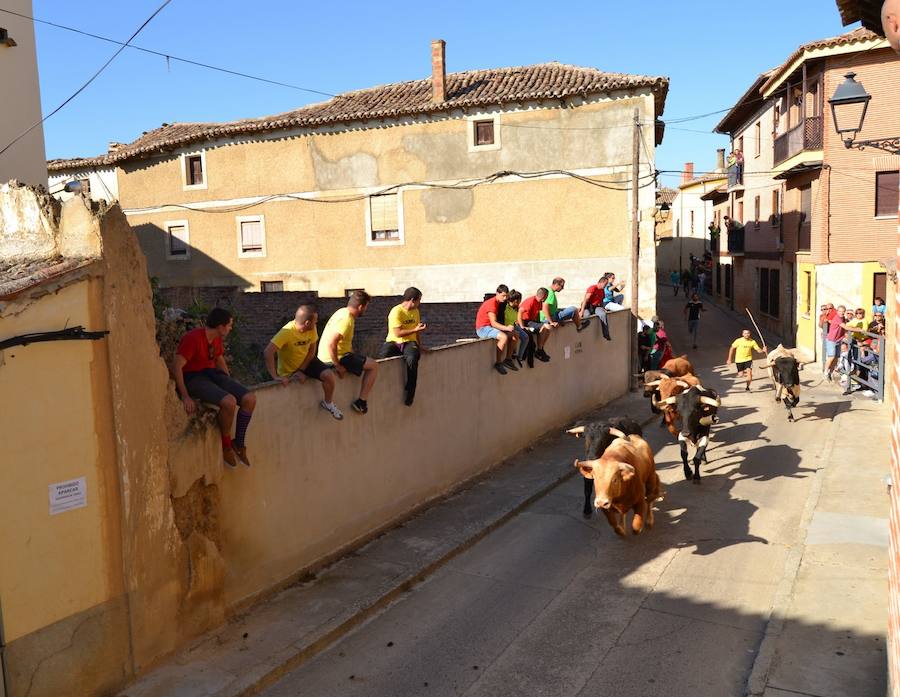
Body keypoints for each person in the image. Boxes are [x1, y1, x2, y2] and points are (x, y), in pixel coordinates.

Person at [174, 308, 257, 468]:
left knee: (249, 399)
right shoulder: (193, 338)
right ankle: (226, 444)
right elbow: (177, 366)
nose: (230, 328)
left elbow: (219, 359)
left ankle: (238, 443)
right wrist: (185, 396)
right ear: (220, 326)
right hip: (194, 377)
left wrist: (229, 381)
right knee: (229, 402)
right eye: (229, 325)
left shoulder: (216, 338)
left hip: (212, 373)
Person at [264, 303, 343, 420]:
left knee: (329, 375)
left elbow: (312, 350)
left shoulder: (312, 329)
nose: (316, 323)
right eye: (315, 321)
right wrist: (274, 376)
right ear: (307, 323)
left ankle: (328, 403)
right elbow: (268, 352)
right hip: (288, 371)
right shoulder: (287, 332)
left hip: (307, 362)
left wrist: (302, 370)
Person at [317, 290, 379, 414]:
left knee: (364, 360)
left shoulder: (341, 312)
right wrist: (337, 366)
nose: (365, 310)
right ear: (361, 306)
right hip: (336, 358)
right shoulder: (346, 319)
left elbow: (343, 343)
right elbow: (332, 343)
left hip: (334, 355)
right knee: (373, 366)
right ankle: (361, 402)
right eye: (366, 307)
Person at [378, 287, 428, 406]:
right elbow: (397, 333)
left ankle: (410, 392)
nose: (419, 303)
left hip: (409, 342)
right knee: (382, 356)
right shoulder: (396, 311)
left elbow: (416, 333)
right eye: (419, 300)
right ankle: (379, 385)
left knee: (412, 359)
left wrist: (419, 345)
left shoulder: (415, 311)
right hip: (394, 341)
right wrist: (415, 329)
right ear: (412, 300)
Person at [475, 284, 519, 375]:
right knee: (503, 337)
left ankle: (508, 359)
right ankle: (498, 363)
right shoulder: (491, 304)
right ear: (497, 293)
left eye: (506, 296)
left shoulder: (498, 302)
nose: (505, 298)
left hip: (489, 327)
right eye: (503, 295)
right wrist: (506, 328)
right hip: (483, 329)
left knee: (515, 334)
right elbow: (493, 323)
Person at [518, 288, 552, 363]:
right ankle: (539, 350)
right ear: (544, 296)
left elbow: (537, 314)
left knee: (546, 329)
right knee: (546, 326)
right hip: (526, 322)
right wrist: (521, 326)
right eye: (546, 296)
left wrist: (539, 323)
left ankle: (540, 349)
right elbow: (519, 312)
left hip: (532, 322)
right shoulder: (530, 301)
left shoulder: (539, 302)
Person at [578, 276, 612, 340]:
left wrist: (603, 308)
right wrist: (581, 311)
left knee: (603, 314)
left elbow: (601, 300)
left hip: (596, 307)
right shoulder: (593, 288)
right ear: (601, 282)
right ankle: (580, 327)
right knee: (587, 316)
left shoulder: (602, 291)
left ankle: (606, 334)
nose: (606, 286)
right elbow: (585, 300)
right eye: (605, 284)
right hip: (588, 307)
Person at [504, 290, 529, 368]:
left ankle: (519, 356)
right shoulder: (505, 307)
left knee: (525, 337)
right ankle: (512, 353)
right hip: (505, 327)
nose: (519, 302)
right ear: (513, 300)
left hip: (513, 325)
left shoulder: (516, 308)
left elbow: (516, 319)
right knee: (516, 335)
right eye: (517, 300)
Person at [824, 305, 847, 382]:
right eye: (840, 311)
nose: (842, 313)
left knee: (836, 357)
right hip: (832, 340)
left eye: (843, 312)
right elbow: (845, 327)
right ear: (837, 311)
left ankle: (831, 372)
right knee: (831, 356)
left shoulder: (843, 318)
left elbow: (844, 328)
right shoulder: (837, 318)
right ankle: (826, 372)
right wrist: (858, 329)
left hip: (838, 340)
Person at [817, 303, 837, 371]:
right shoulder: (822, 316)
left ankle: (830, 368)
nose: (824, 310)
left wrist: (828, 320)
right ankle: (826, 367)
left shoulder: (834, 314)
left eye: (825, 309)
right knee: (827, 351)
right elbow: (820, 325)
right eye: (822, 309)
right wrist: (824, 318)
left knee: (832, 353)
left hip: (833, 336)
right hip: (826, 335)